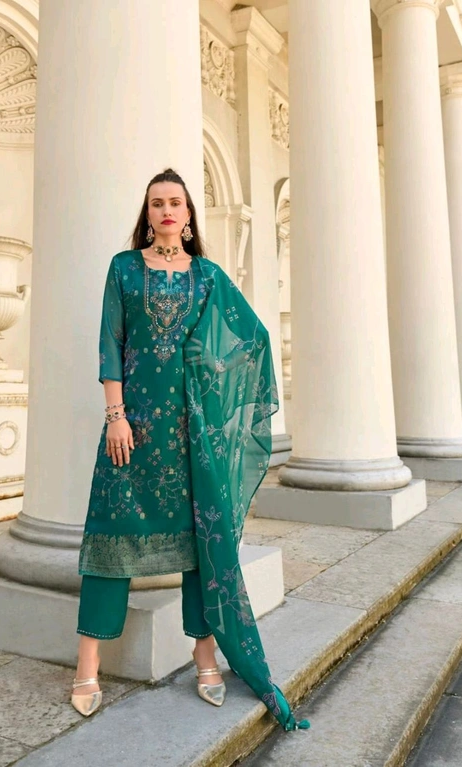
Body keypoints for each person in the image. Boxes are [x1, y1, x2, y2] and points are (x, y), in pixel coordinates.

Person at [71, 168, 309, 732]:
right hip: (132, 429)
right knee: (109, 538)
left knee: (199, 547)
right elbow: (111, 343)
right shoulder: (123, 268)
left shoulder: (206, 275)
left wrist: (213, 367)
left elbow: (252, 338)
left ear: (188, 214)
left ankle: (206, 658)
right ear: (147, 213)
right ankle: (87, 665)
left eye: (175, 202)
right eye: (157, 203)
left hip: (188, 434)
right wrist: (115, 416)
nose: (166, 211)